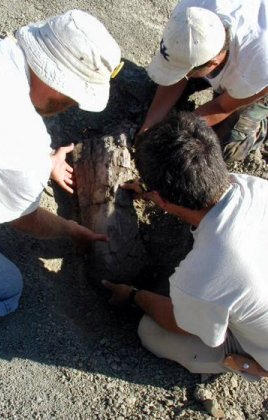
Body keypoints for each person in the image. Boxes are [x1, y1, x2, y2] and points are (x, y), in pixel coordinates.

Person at [0, 10, 123, 342]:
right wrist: (71, 230)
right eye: (73, 97)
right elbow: (24, 220)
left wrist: (41, 162)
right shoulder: (21, 140)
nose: (71, 105)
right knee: (2, 290)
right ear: (59, 80)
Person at [103, 111, 268, 380]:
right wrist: (149, 193)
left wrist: (134, 294)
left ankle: (250, 365)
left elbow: (177, 323)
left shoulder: (205, 271)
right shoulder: (255, 187)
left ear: (161, 198)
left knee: (151, 331)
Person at [140, 0, 268, 162]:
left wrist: (175, 131)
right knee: (152, 94)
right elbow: (176, 78)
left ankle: (260, 129)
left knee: (225, 149)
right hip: (234, 61)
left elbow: (222, 106)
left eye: (188, 71)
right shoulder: (189, 14)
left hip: (260, 84)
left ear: (213, 62)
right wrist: (148, 127)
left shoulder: (258, 66)